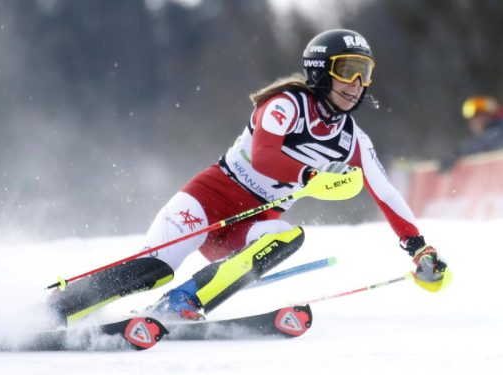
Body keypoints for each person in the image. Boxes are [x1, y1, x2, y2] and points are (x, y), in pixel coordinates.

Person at [48, 29, 448, 325]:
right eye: (348, 71)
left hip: (252, 222)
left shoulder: (352, 140)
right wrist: (310, 175)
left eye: (365, 73)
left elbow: (387, 194)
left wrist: (419, 248)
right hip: (210, 200)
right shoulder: (286, 104)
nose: (357, 84)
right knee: (154, 269)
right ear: (321, 72)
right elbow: (265, 156)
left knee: (286, 236)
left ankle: (181, 305)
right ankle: (59, 308)